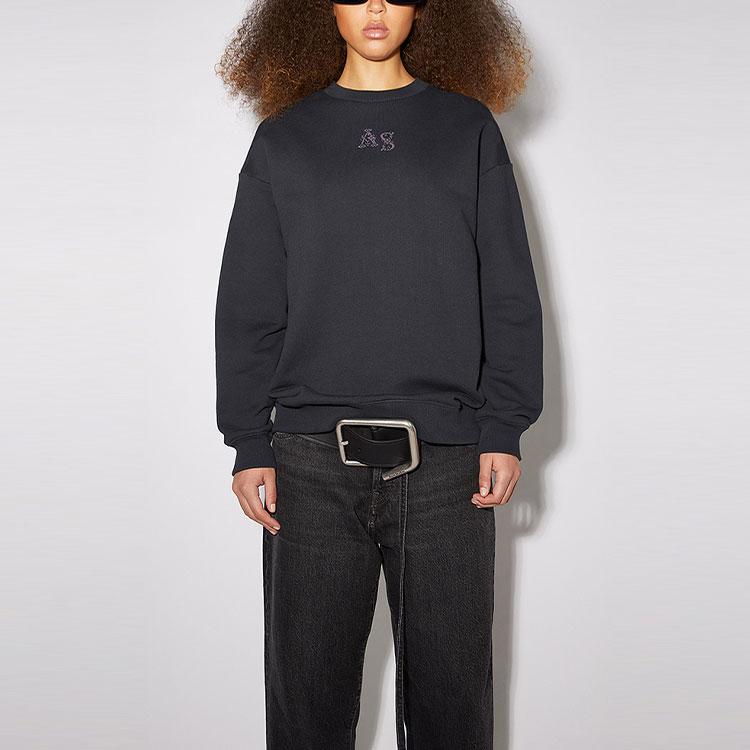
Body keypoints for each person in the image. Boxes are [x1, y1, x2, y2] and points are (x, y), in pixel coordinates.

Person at [214, 1, 543, 747]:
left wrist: (504, 426)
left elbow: (509, 290)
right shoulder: (285, 138)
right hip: (308, 464)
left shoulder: (467, 130)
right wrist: (249, 441)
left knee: (453, 708)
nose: (374, 6)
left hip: (450, 464)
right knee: (307, 706)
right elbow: (250, 301)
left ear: (425, 9)